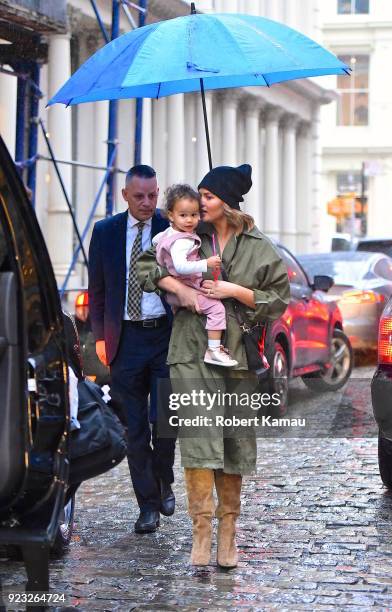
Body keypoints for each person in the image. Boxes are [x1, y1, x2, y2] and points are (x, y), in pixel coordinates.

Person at [138, 164, 290, 567]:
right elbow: (144, 267)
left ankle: (228, 534)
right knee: (199, 441)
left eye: (207, 196)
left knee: (233, 443)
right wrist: (175, 288)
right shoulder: (186, 234)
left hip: (237, 357)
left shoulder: (259, 246)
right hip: (190, 352)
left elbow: (279, 299)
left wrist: (234, 290)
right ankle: (201, 534)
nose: (198, 203)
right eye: (198, 196)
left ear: (228, 201)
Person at [88, 164, 175, 534]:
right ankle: (148, 505)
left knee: (166, 421)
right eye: (139, 196)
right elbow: (97, 291)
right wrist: (101, 339)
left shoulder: (170, 229)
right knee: (135, 427)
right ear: (125, 195)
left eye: (153, 195)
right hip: (125, 339)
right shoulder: (105, 232)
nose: (147, 202)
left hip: (165, 338)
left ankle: (164, 477)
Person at [153, 184, 238, 367]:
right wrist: (205, 263)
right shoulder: (183, 240)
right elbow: (181, 266)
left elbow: (156, 242)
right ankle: (214, 350)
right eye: (183, 215)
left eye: (194, 215)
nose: (190, 220)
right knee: (216, 309)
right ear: (171, 215)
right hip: (189, 285)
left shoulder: (169, 233)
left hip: (176, 293)